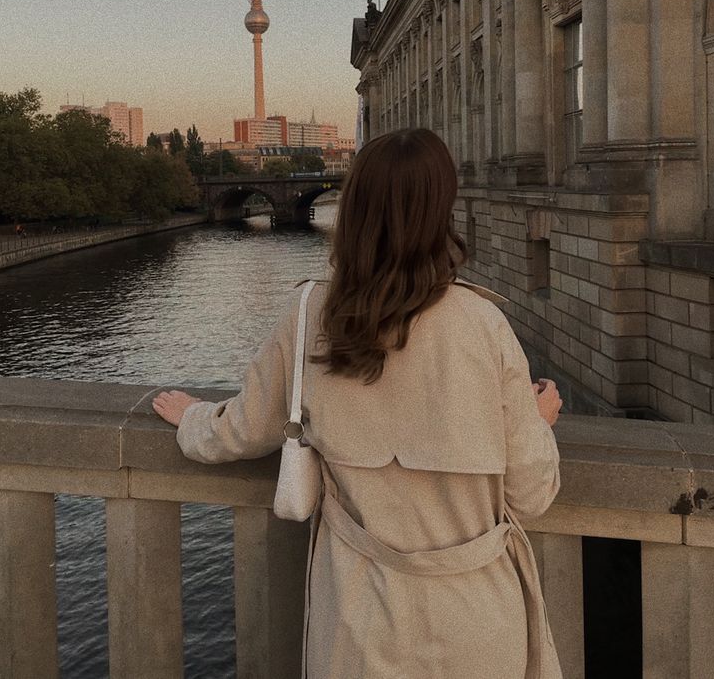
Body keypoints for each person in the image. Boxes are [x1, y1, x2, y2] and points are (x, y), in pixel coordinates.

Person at [153, 128, 563, 679]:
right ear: (442, 209)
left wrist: (193, 418)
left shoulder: (311, 315)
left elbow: (246, 430)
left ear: (356, 209)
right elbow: (531, 495)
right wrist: (536, 424)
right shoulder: (484, 325)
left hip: (358, 616)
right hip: (476, 617)